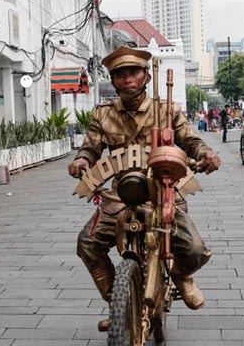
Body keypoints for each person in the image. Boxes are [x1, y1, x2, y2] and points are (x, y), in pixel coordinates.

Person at [67, 46, 221, 310]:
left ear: (146, 78)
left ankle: (180, 275)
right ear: (113, 80)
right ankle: (122, 306)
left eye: (133, 72)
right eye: (120, 74)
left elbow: (191, 141)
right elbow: (90, 148)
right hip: (120, 195)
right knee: (87, 244)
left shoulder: (167, 109)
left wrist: (206, 153)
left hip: (163, 190)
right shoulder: (103, 114)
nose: (127, 79)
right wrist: (81, 160)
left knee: (194, 249)